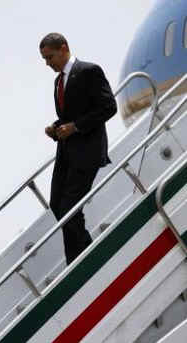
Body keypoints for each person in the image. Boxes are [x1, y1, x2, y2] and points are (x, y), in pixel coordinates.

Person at [39, 32, 117, 265]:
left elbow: (108, 107)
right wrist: (56, 128)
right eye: (44, 59)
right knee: (57, 206)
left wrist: (75, 127)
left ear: (64, 49)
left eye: (49, 57)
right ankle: (80, 257)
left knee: (69, 208)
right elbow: (69, 116)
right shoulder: (58, 81)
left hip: (87, 152)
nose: (47, 63)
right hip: (66, 154)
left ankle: (82, 260)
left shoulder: (89, 71)